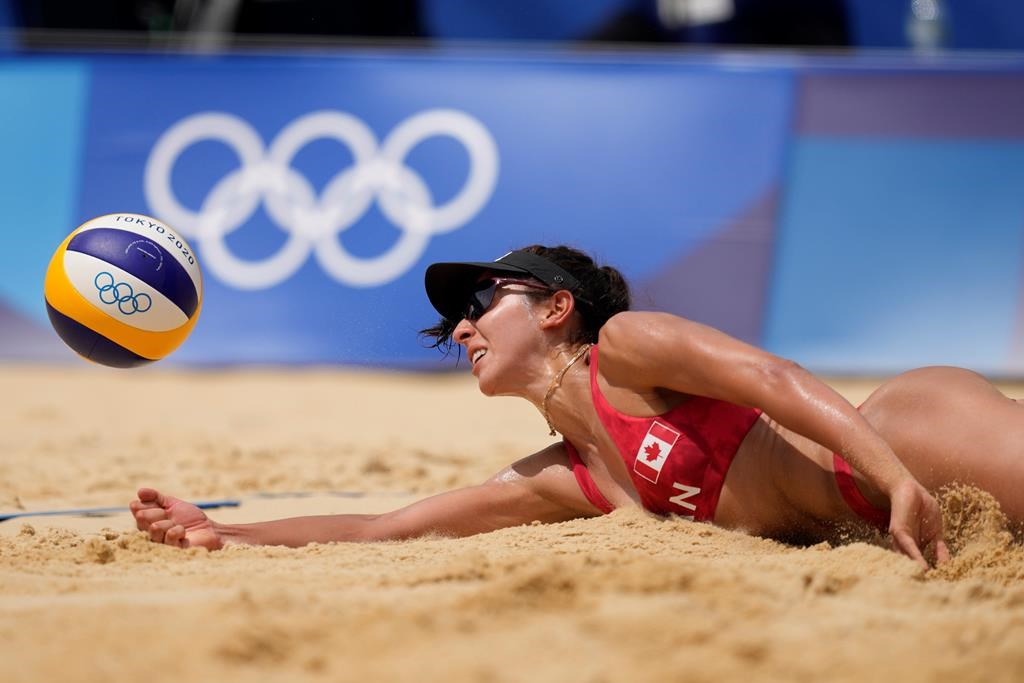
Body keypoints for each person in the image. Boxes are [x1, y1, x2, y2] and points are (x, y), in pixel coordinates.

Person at [131, 245, 1024, 569]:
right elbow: (383, 530)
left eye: (481, 303)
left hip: (908, 436)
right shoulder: (573, 477)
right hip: (881, 502)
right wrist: (223, 535)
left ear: (557, 308)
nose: (464, 326)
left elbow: (778, 378)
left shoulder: (629, 346)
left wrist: (897, 474)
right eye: (454, 322)